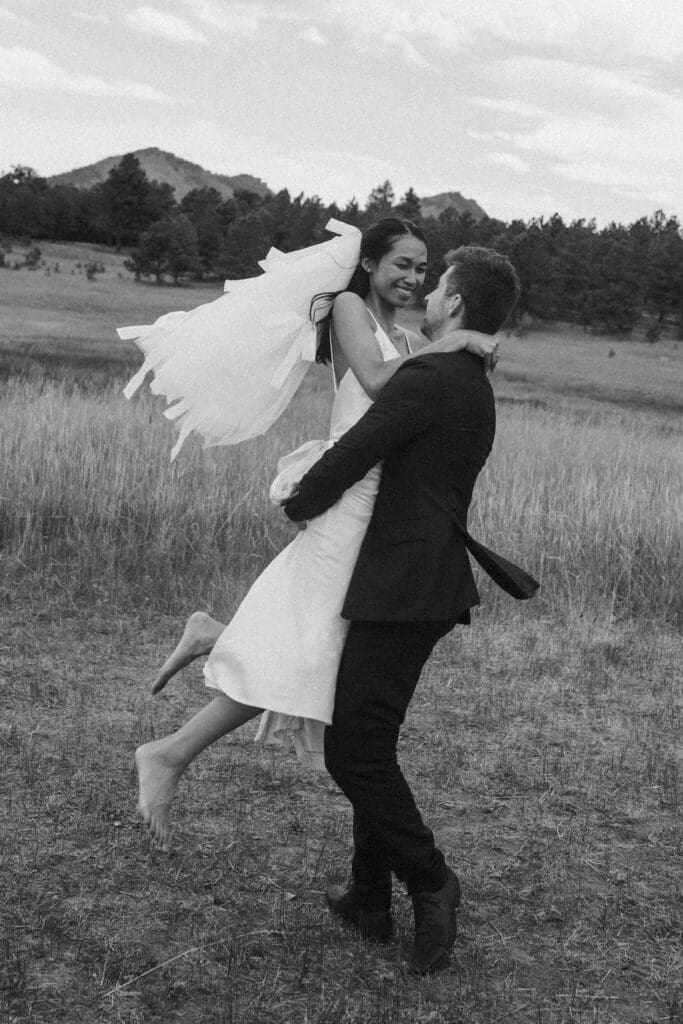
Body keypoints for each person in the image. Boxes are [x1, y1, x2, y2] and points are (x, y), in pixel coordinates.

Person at [131, 219, 499, 852]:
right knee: (310, 653)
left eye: (423, 269)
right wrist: (463, 336)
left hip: (379, 509)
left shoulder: (408, 336)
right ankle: (167, 754)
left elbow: (419, 397)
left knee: (322, 649)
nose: (413, 279)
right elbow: (386, 386)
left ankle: (214, 636)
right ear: (370, 263)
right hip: (348, 499)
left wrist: (456, 348)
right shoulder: (351, 308)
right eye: (402, 264)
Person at [281, 245, 538, 974]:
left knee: (353, 750)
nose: (425, 297)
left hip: (405, 582)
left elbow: (355, 453)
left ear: (455, 304)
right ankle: (368, 901)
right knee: (368, 738)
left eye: (438, 290)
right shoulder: (467, 378)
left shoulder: (433, 376)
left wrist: (295, 502)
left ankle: (430, 879)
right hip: (417, 581)